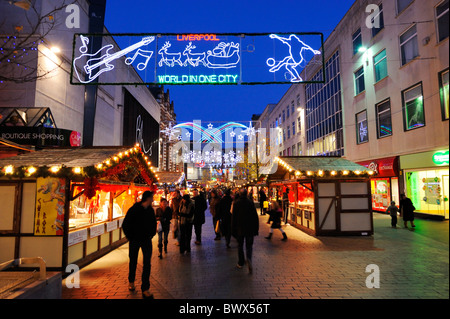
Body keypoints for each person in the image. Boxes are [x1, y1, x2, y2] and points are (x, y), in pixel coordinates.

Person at [122, 191, 156, 299]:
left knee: (147, 263)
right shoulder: (134, 209)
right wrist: (130, 237)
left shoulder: (150, 210)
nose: (153, 200)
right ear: (147, 198)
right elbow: (125, 224)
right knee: (133, 261)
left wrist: (151, 234)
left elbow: (153, 223)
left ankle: (145, 288)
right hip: (135, 240)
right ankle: (131, 281)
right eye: (152, 198)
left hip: (146, 240)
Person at [232, 188, 259, 274]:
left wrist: (233, 229)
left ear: (239, 194)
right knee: (249, 246)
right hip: (250, 228)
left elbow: (234, 218)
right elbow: (255, 216)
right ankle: (249, 259)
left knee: (240, 245)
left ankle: (241, 262)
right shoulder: (250, 203)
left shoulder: (236, 203)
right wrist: (256, 228)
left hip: (240, 228)